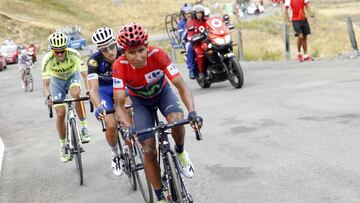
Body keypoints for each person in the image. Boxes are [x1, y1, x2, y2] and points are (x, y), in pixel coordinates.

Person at [113, 23, 203, 203]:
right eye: (131, 53)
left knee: (176, 119)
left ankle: (180, 151)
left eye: (140, 50)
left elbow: (181, 86)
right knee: (148, 149)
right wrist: (128, 126)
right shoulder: (119, 66)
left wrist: (192, 112)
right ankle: (160, 196)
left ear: (147, 47)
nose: (137, 57)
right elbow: (119, 104)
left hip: (163, 94)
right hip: (140, 103)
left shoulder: (159, 55)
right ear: (124, 53)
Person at [42, 32, 91, 163]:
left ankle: (84, 127)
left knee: (75, 95)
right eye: (56, 52)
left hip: (72, 76)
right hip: (57, 81)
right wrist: (48, 97)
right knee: (60, 113)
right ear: (52, 51)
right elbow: (46, 84)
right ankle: (63, 145)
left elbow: (85, 75)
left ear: (66, 48)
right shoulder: (47, 60)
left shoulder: (74, 54)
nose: (59, 54)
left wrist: (89, 91)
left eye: (62, 51)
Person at [87, 27, 127, 176]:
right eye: (104, 50)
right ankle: (115, 152)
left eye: (112, 46)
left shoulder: (124, 52)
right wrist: (98, 107)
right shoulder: (94, 61)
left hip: (121, 85)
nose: (110, 52)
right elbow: (93, 90)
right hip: (104, 90)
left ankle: (133, 138)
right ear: (99, 50)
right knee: (110, 124)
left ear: (116, 43)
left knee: (130, 109)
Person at [187, 4, 208, 80]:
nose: (199, 14)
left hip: (207, 41)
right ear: (194, 14)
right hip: (197, 42)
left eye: (201, 13)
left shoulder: (206, 20)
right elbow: (189, 35)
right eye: (197, 13)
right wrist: (192, 38)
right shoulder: (191, 23)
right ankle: (192, 69)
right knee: (191, 49)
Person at [177, 3, 196, 79]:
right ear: (183, 15)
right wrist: (187, 26)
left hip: (199, 38)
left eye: (189, 13)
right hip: (188, 41)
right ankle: (191, 69)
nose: (188, 15)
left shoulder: (195, 19)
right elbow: (182, 37)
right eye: (186, 14)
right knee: (190, 48)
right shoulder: (181, 24)